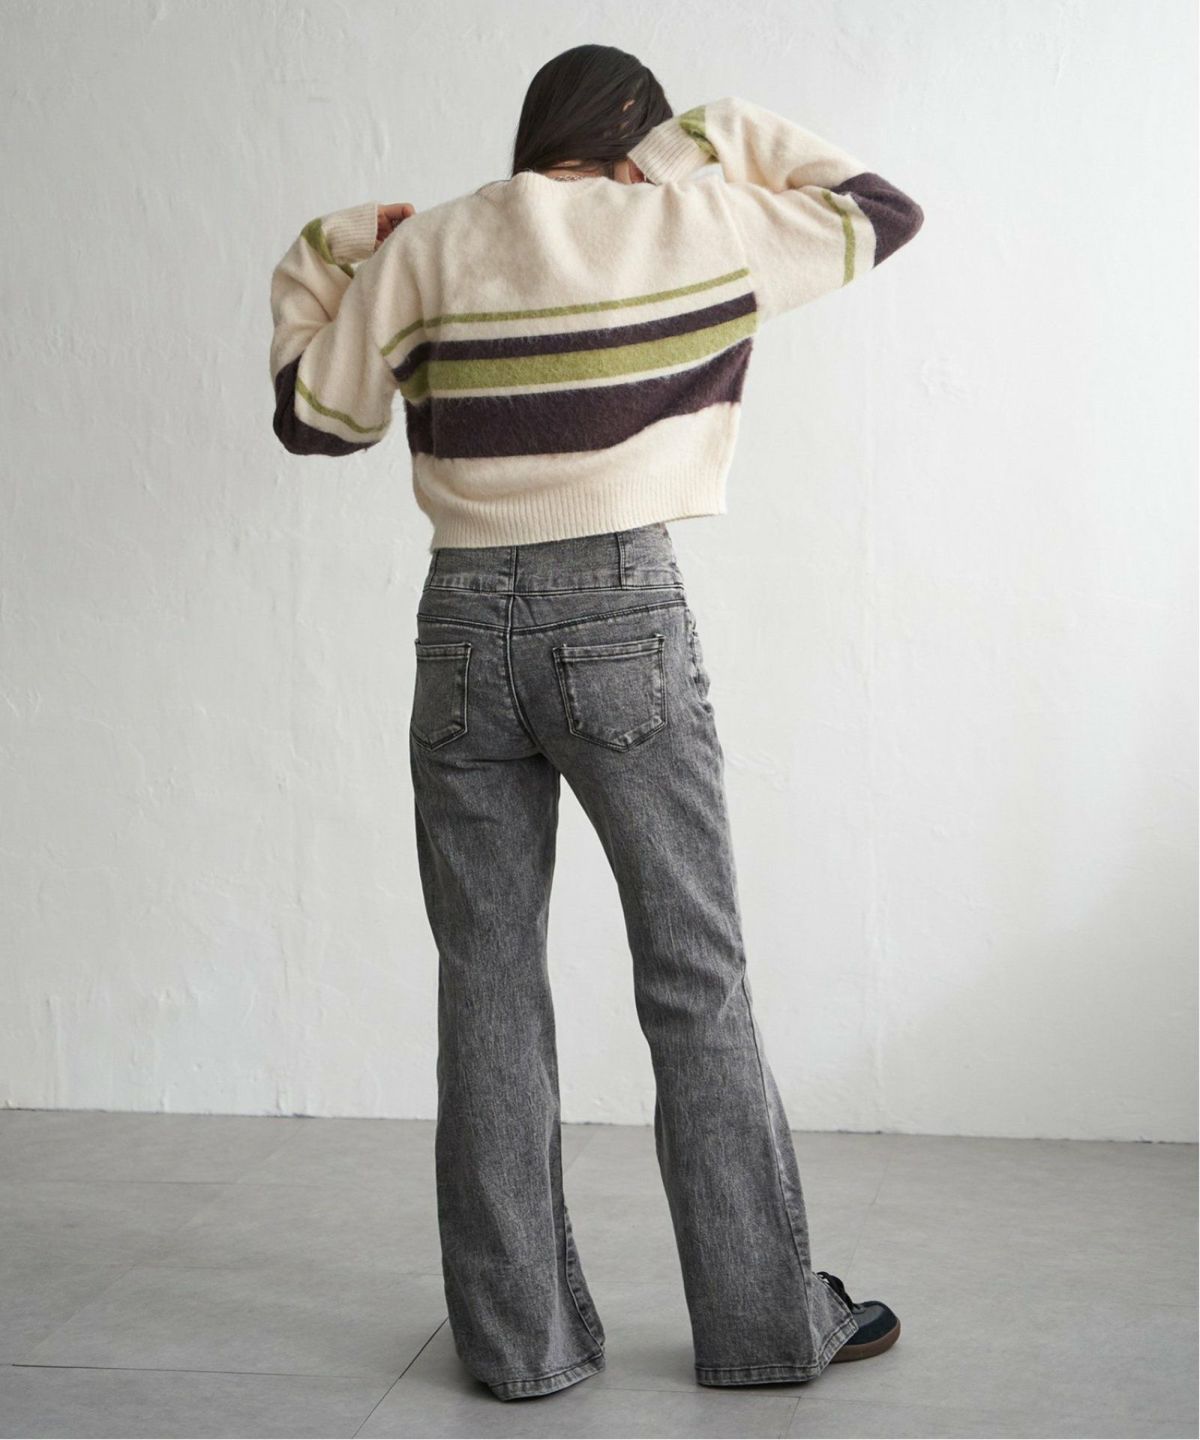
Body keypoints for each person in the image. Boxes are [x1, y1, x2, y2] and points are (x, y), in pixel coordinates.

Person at [268, 42, 923, 1402]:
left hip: (462, 626)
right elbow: (879, 211)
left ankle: (521, 1345)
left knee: (487, 981)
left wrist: (329, 245)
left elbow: (314, 419)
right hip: (623, 611)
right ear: (638, 138)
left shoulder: (435, 246)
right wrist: (707, 135)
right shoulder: (691, 222)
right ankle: (764, 1328)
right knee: (695, 972)